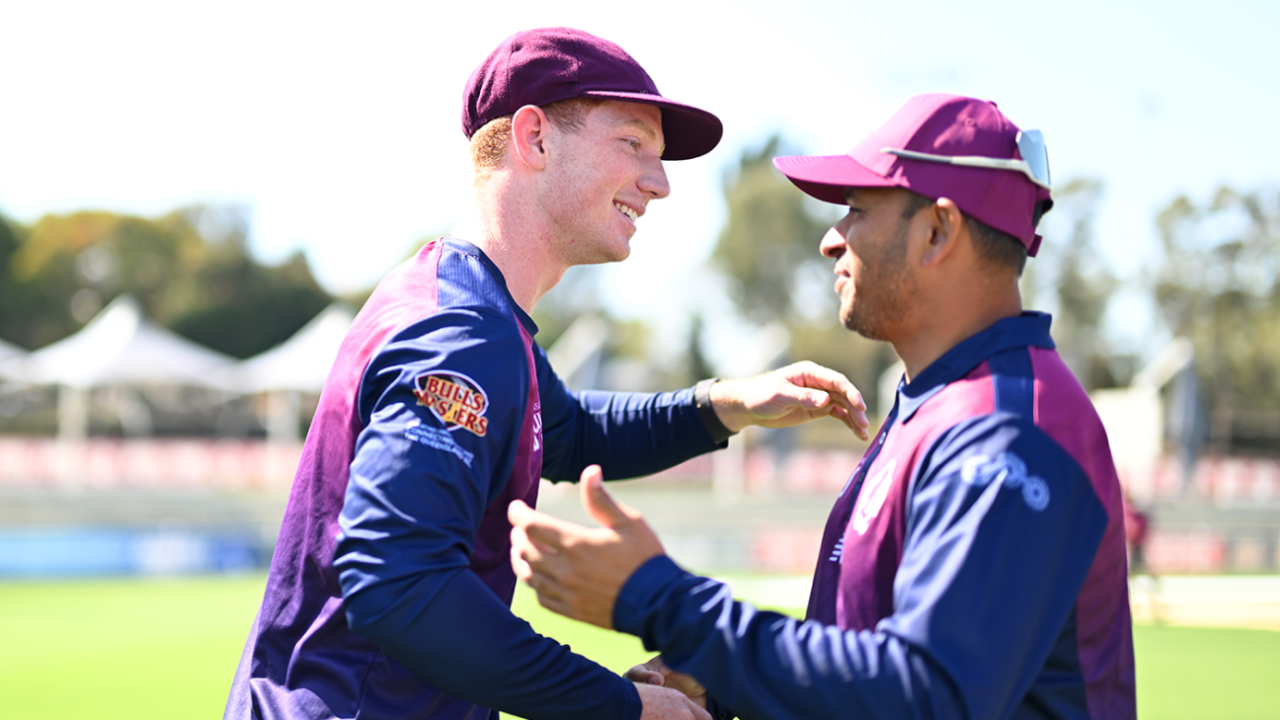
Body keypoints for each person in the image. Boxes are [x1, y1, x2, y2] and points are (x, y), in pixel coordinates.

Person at [224, 27, 871, 720]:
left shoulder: (474, 313)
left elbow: (567, 430)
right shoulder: (459, 334)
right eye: (633, 144)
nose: (660, 183)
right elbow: (395, 581)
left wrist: (727, 403)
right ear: (533, 139)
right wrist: (624, 705)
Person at [509, 93, 1137, 720]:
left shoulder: (1004, 430)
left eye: (858, 211)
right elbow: (877, 652)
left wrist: (662, 601)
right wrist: (730, 683)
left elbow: (928, 696)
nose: (831, 242)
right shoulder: (941, 403)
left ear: (938, 231)